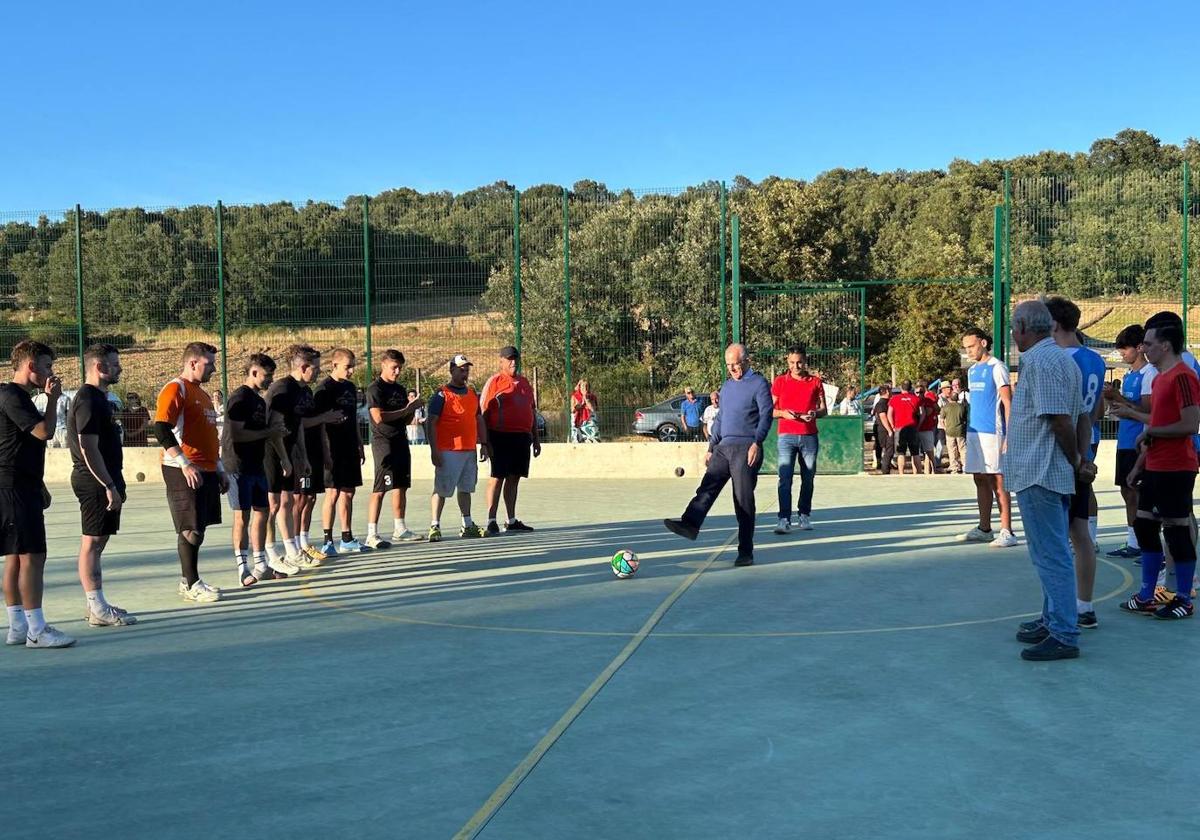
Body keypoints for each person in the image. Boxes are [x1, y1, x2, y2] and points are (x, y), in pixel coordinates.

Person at [1006, 299, 1090, 661]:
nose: (1012, 334)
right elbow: (1084, 415)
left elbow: (1060, 420)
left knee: (1050, 554)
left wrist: (1074, 459)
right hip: (1048, 470)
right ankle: (1053, 618)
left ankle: (1063, 633)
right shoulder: (1063, 359)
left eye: (1014, 327)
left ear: (1024, 328)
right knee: (1050, 552)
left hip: (1040, 470)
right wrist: (1079, 460)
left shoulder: (1041, 361)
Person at [1119, 320, 1199, 620]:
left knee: (1177, 530)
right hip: (1154, 463)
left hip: (1177, 466)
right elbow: (1157, 428)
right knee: (1144, 525)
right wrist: (1140, 463)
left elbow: (1190, 424)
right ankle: (1147, 595)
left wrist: (1147, 427)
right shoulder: (1161, 377)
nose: (1145, 348)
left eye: (1149, 343)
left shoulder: (1183, 377)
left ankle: (1182, 598)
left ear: (1165, 345)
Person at [664, 344, 772, 566]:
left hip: (746, 448)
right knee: (707, 486)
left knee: (743, 501)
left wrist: (757, 442)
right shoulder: (728, 386)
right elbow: (721, 419)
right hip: (724, 447)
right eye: (729, 365)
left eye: (736, 364)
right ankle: (690, 524)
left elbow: (766, 415)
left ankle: (745, 552)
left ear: (747, 361)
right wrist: (712, 447)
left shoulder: (759, 384)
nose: (732, 369)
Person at [2, 340, 71, 647]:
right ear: (30, 366)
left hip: (21, 484)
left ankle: (17, 625)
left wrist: (37, 483)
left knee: (16, 555)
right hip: (13, 487)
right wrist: (53, 399)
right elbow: (44, 432)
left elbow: (21, 446)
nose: (50, 372)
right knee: (33, 555)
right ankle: (37, 629)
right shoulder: (11, 395)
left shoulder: (14, 396)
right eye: (47, 366)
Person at [1045, 296, 1106, 629]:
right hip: (1088, 446)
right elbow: (1094, 411)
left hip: (1060, 452)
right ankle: (1085, 605)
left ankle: (1059, 610)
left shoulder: (1055, 359)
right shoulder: (1095, 359)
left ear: (1053, 324)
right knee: (1080, 533)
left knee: (1054, 537)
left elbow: (1061, 415)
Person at [153, 341, 229, 603]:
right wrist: (185, 463)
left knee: (200, 528)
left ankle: (191, 579)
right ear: (192, 363)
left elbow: (208, 437)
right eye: (209, 364)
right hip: (182, 469)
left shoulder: (203, 394)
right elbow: (161, 428)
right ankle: (190, 583)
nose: (214, 369)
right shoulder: (177, 388)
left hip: (206, 468)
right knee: (190, 528)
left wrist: (218, 468)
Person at [68, 343, 135, 626]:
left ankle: (95, 603)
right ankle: (96, 607)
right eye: (114, 363)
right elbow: (87, 446)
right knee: (92, 542)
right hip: (94, 480)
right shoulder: (88, 399)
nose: (119, 367)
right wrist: (107, 484)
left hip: (107, 478)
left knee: (99, 541)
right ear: (99, 367)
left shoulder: (100, 398)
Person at [223, 354, 286, 587]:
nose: (270, 380)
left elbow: (263, 432)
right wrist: (268, 433)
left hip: (256, 464)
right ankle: (243, 569)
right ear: (254, 373)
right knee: (242, 515)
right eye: (267, 375)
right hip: (237, 464)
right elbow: (237, 434)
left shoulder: (259, 401)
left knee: (263, 511)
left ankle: (261, 565)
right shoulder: (239, 398)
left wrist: (276, 433)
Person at [264, 344, 326, 575]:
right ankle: (269, 555)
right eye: (316, 368)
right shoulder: (282, 390)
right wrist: (283, 458)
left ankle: (293, 551)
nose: (319, 372)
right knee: (271, 506)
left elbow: (297, 425)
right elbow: (274, 428)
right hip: (270, 451)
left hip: (288, 452)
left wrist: (302, 456)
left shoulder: (302, 391)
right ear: (303, 367)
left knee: (287, 503)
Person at [960, 328, 1016, 547]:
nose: (968, 352)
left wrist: (1008, 436)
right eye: (965, 348)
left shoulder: (997, 367)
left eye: (971, 346)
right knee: (979, 478)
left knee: (997, 481)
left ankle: (1007, 531)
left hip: (993, 432)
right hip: (974, 432)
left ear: (983, 343)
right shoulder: (972, 370)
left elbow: (1008, 403)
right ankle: (985, 528)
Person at [365, 349, 425, 548]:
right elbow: (378, 417)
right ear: (383, 365)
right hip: (384, 444)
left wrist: (413, 408)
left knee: (401, 486)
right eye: (394, 367)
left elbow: (406, 419)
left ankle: (400, 528)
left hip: (401, 441)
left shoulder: (399, 389)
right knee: (381, 488)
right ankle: (371, 533)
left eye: (400, 367)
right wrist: (406, 409)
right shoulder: (375, 389)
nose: (397, 371)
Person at [428, 354, 490, 541]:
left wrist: (484, 444)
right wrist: (434, 450)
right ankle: (435, 526)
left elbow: (478, 419)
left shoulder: (472, 394)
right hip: (448, 451)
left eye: (467, 369)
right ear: (452, 370)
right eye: (461, 369)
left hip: (469, 450)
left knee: (466, 488)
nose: (464, 372)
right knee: (442, 489)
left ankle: (467, 525)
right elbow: (431, 423)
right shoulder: (441, 395)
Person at [480, 346, 540, 535]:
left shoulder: (524, 383)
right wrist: (484, 441)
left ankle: (511, 520)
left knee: (514, 478)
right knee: (497, 478)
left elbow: (532, 411)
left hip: (522, 438)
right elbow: (482, 413)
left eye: (515, 358)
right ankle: (491, 520)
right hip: (499, 437)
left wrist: (536, 440)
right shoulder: (495, 382)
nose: (513, 362)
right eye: (509, 359)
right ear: (502, 362)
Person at [1105, 325, 1151, 559]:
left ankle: (1147, 544)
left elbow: (1146, 410)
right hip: (1124, 440)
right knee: (1126, 491)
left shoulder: (1148, 374)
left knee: (1137, 493)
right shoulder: (1129, 375)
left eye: (1125, 348)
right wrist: (1113, 402)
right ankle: (1134, 542)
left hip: (1138, 442)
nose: (1122, 353)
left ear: (1139, 347)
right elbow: (1125, 408)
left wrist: (1118, 398)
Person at [771, 345, 826, 533]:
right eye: (792, 362)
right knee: (784, 478)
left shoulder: (816, 382)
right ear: (787, 362)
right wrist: (784, 414)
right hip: (786, 437)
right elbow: (770, 411)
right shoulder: (779, 382)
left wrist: (815, 413)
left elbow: (824, 410)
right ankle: (783, 519)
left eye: (799, 362)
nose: (796, 366)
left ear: (805, 361)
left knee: (808, 478)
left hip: (809, 437)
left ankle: (804, 515)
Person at [316, 348, 366, 555]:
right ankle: (327, 540)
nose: (352, 370)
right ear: (334, 365)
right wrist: (325, 451)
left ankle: (347, 537)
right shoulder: (324, 389)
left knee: (348, 491)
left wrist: (359, 442)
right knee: (333, 492)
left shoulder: (350, 387)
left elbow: (352, 418)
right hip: (332, 447)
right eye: (348, 367)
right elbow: (319, 424)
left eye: (353, 366)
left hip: (349, 447)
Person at [888, 380, 924, 476]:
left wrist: (892, 426)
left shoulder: (894, 399)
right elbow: (922, 413)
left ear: (901, 387)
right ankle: (919, 473)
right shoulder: (916, 399)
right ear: (911, 387)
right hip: (913, 427)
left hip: (900, 428)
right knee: (915, 452)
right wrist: (919, 425)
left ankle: (901, 473)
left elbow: (889, 414)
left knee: (901, 453)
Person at [939, 381, 968, 474]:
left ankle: (954, 467)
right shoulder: (962, 407)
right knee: (962, 449)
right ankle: (965, 467)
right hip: (960, 431)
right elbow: (965, 419)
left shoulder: (945, 407)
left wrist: (945, 428)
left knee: (952, 450)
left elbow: (941, 420)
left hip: (949, 431)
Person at [915, 378, 940, 474]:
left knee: (929, 450)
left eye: (921, 392)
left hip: (927, 427)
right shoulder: (915, 400)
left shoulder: (928, 397)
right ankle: (924, 471)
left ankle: (933, 470)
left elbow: (932, 410)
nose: (919, 394)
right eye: (917, 392)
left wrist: (930, 416)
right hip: (918, 429)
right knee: (919, 452)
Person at [872, 383, 895, 474]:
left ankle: (886, 467)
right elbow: (883, 417)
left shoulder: (887, 402)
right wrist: (889, 430)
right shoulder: (881, 403)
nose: (891, 392)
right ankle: (885, 469)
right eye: (889, 390)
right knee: (889, 449)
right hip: (883, 430)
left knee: (889, 449)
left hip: (885, 429)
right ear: (886, 392)